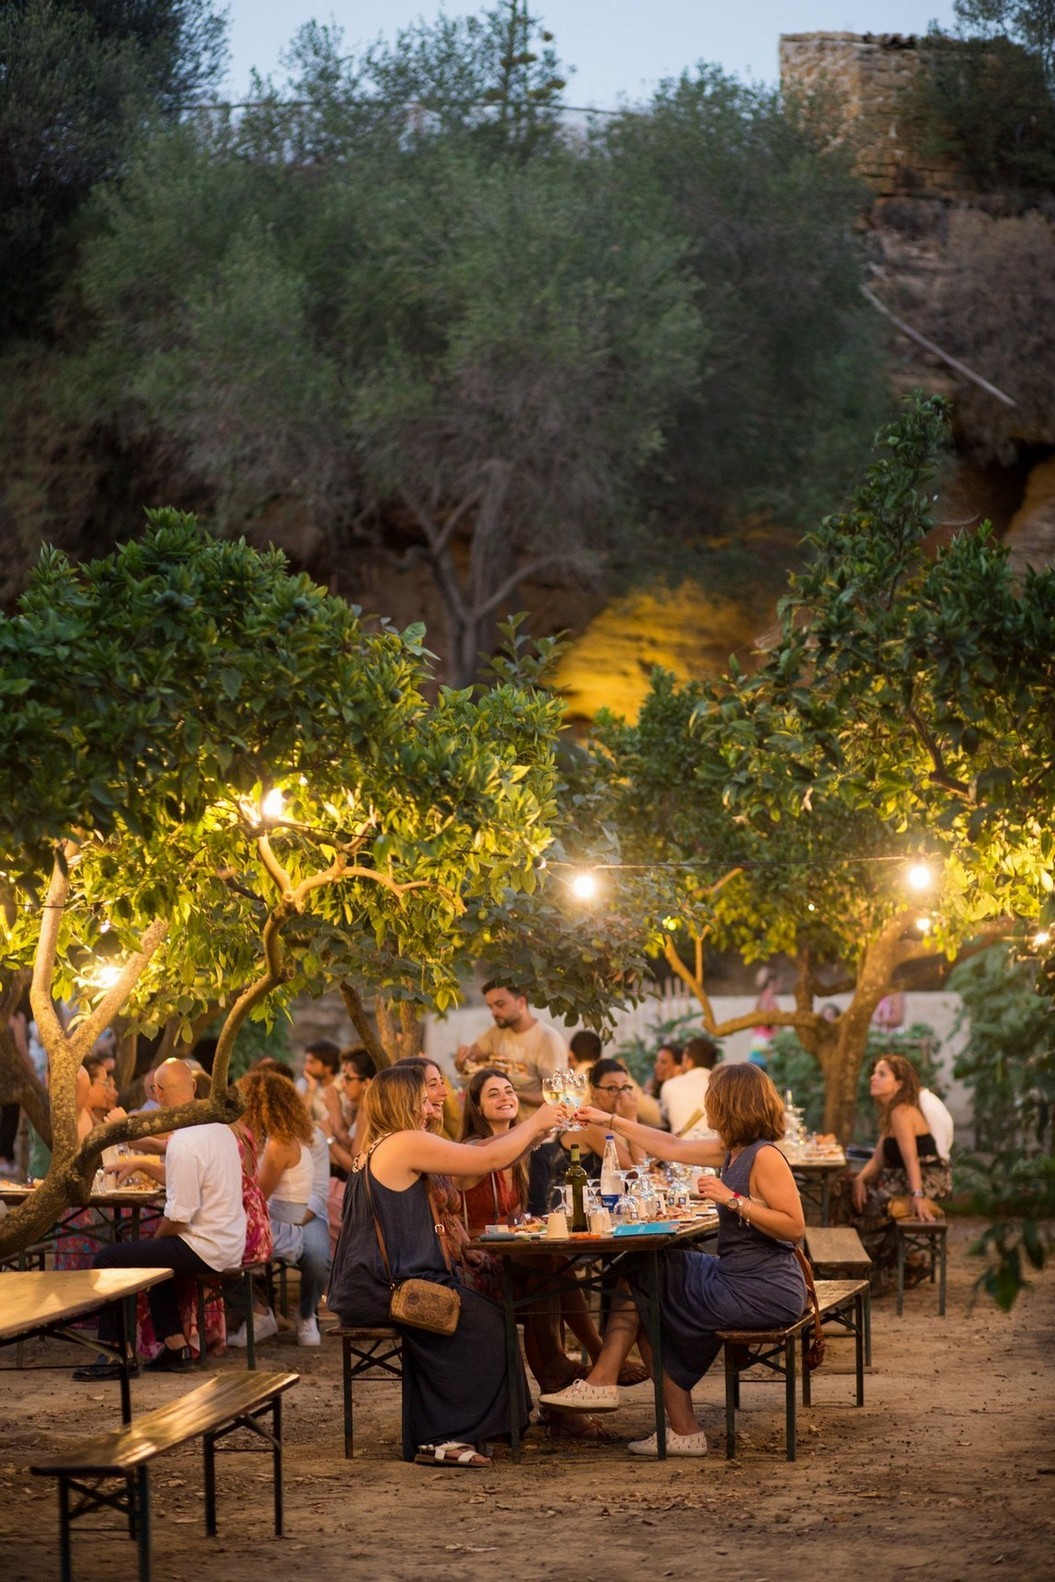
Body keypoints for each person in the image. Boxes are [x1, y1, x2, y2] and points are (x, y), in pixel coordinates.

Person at [537, 1062, 807, 1457]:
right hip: (738, 1275)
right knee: (641, 1275)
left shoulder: (764, 1157)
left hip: (763, 1288)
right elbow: (671, 1147)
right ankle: (673, 1425)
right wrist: (608, 1119)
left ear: (730, 1102)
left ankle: (607, 1383)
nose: (706, 1103)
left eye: (712, 1094)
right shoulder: (733, 1150)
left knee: (647, 1277)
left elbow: (793, 1227)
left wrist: (732, 1199)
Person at [328, 1062, 565, 1466]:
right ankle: (441, 1436)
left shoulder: (390, 1143)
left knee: (487, 1311)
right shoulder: (403, 1142)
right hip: (387, 1286)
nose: (433, 1097)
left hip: (385, 1279)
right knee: (477, 1319)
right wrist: (538, 1117)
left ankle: (486, 1426)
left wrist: (537, 1131)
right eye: (425, 1092)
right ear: (405, 1100)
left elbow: (483, 1157)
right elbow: (487, 1159)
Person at [455, 1066, 612, 1441]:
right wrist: (537, 1128)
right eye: (493, 1093)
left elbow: (514, 1214)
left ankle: (562, 1393)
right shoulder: (474, 1148)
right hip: (474, 1260)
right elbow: (495, 1159)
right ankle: (592, 1363)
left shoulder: (521, 1152)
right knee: (548, 1265)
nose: (506, 1096)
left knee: (550, 1268)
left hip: (508, 1258)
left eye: (509, 1090)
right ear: (476, 1107)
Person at [74, 1058, 246, 1379]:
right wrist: (143, 1160)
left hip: (206, 1248)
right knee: (151, 1255)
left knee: (110, 1258)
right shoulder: (219, 1129)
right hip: (229, 1242)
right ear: (193, 1087)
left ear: (158, 1095)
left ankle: (113, 1355)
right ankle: (175, 1346)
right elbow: (190, 1179)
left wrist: (156, 1240)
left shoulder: (185, 1140)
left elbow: (179, 1218)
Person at [229, 1067, 329, 1348]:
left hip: (305, 1214)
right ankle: (261, 1312)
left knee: (317, 1254)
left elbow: (318, 1191)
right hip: (270, 1214)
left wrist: (295, 1222)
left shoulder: (305, 1139)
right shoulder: (264, 1138)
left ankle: (304, 1313)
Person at [837, 1053, 952, 1276]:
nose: (873, 1078)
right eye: (874, 1072)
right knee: (847, 1185)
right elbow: (879, 1158)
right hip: (904, 1177)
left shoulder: (902, 1112)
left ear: (898, 1084)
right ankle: (852, 1262)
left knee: (869, 1202)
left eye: (881, 1074)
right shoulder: (892, 1111)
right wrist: (860, 1178)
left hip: (927, 1178)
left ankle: (876, 1267)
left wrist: (917, 1195)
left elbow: (911, 1159)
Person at [659, 1035, 720, 1140]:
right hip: (717, 1151)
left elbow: (663, 1116)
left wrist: (673, 1079)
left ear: (689, 1062)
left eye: (683, 1059)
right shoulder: (721, 1085)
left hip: (680, 1150)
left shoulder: (670, 1085)